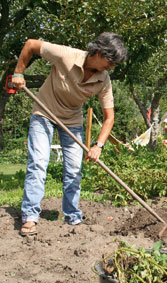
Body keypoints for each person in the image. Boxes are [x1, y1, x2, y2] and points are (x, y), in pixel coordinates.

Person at [11, 32, 128, 236]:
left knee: (74, 169)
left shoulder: (103, 79)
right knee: (38, 162)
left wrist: (98, 145)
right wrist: (19, 72)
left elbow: (109, 117)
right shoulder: (66, 55)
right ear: (99, 52)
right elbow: (31, 44)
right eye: (111, 61)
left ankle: (72, 215)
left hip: (72, 121)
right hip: (44, 112)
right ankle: (30, 216)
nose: (112, 67)